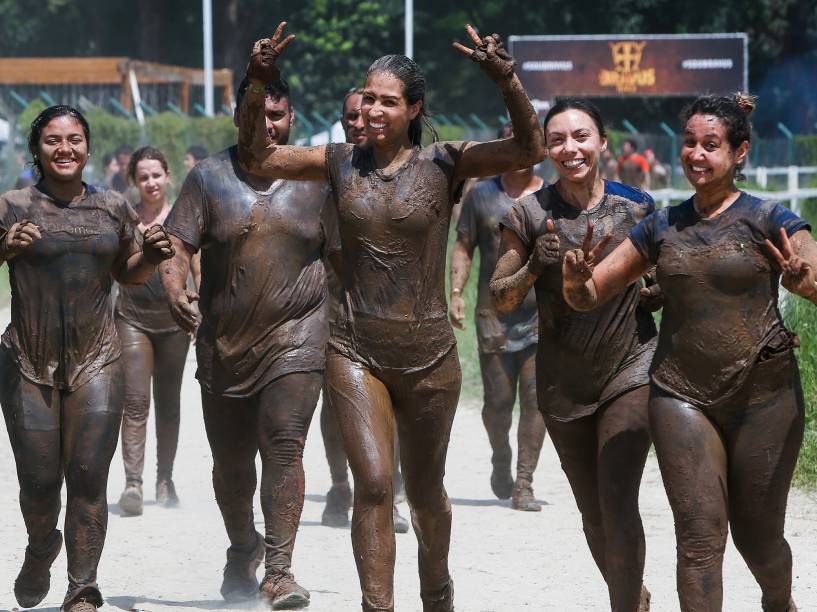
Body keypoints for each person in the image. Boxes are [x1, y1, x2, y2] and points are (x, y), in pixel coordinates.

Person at [240, 22, 546, 612]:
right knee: (376, 484)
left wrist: (506, 79)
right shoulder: (337, 163)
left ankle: (438, 591)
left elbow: (529, 150)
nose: (372, 110)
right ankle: (376, 605)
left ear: (413, 109)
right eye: (367, 98)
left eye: (387, 101)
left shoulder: (446, 162)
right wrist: (258, 83)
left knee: (427, 491)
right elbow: (259, 154)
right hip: (356, 351)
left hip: (429, 356)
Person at [562, 93, 807, 612]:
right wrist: (575, 278)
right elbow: (589, 296)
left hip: (766, 397)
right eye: (690, 143)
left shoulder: (770, 218)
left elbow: (813, 275)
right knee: (698, 540)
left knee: (759, 541)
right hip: (680, 396)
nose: (696, 154)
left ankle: (779, 601)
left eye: (711, 145)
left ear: (740, 152)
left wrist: (804, 283)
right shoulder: (660, 226)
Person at [159, 47, 337, 608]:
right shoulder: (207, 178)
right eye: (256, 113)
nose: (266, 124)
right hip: (224, 343)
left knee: (284, 446)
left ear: (293, 120)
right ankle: (243, 547)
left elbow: (350, 253)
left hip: (299, 336)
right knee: (231, 464)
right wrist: (174, 287)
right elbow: (175, 244)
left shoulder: (318, 179)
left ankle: (280, 569)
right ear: (239, 114)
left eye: (277, 115)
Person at [0, 105, 173, 612]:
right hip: (27, 362)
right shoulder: (11, 205)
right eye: (53, 140)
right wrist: (4, 247)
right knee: (37, 484)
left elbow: (129, 271)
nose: (65, 149)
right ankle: (40, 547)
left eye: (74, 139)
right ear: (37, 150)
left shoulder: (114, 207)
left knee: (89, 477)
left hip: (97, 358)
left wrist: (155, 256)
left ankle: (82, 588)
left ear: (89, 148)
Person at [490, 98, 658, 612]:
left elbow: (659, 287)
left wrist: (649, 289)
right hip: (563, 382)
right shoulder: (528, 214)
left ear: (603, 143)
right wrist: (533, 266)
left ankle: (624, 605)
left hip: (632, 367)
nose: (571, 148)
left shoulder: (638, 208)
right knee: (592, 512)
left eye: (581, 136)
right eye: (558, 139)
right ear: (546, 150)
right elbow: (501, 298)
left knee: (618, 498)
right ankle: (632, 596)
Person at [320, 87, 409, 533]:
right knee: (335, 404)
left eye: (364, 114)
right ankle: (340, 483)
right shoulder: (327, 169)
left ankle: (388, 494)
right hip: (328, 300)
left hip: (386, 303)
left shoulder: (401, 169)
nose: (358, 122)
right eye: (349, 116)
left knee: (387, 405)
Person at [449, 121, 547, 511]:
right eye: (513, 140)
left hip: (542, 316)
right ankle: (501, 455)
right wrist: (456, 292)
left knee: (536, 399)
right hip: (493, 315)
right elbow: (462, 246)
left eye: (528, 141)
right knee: (497, 403)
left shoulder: (551, 198)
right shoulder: (481, 196)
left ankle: (524, 482)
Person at [116, 146, 193, 516]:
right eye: (143, 176)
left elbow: (199, 267)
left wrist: (202, 309)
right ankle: (133, 483)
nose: (151, 182)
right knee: (134, 402)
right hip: (131, 318)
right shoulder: (126, 220)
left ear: (168, 176)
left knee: (169, 403)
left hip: (174, 322)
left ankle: (166, 479)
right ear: (134, 181)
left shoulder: (184, 218)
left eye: (156, 175)